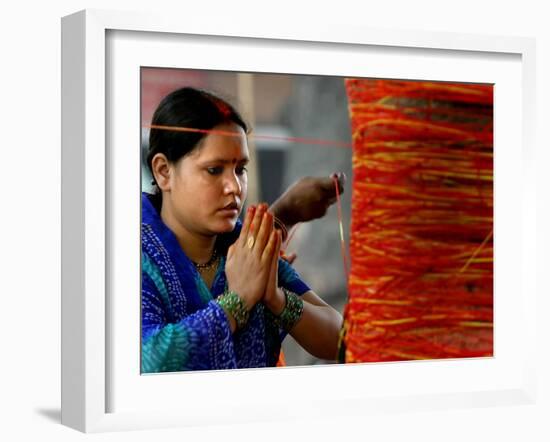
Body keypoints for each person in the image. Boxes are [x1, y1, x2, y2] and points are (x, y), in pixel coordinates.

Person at [141, 86, 344, 372]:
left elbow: (339, 337)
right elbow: (147, 360)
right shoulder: (130, 251)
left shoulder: (246, 246)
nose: (234, 187)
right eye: (214, 170)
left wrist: (276, 298)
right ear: (164, 171)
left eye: (240, 169)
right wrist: (238, 301)